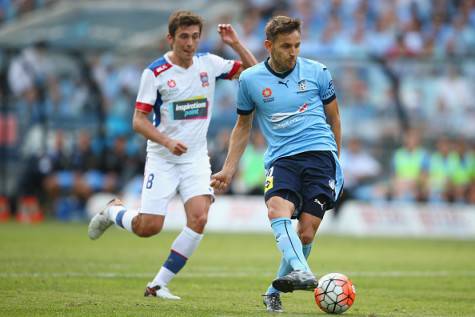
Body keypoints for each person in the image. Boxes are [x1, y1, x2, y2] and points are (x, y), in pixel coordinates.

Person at [88, 10, 257, 300]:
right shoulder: (155, 73)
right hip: (162, 158)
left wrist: (236, 44)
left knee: (199, 218)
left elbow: (256, 75)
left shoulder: (209, 63)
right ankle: (112, 211)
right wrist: (166, 141)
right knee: (148, 227)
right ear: (171, 38)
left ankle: (157, 285)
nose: (190, 43)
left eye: (194, 37)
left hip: (195, 158)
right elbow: (138, 121)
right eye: (184, 37)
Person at [211, 16, 344, 313]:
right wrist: (229, 168)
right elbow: (242, 126)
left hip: (320, 155)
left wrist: (337, 158)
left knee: (306, 232)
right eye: (286, 46)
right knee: (276, 209)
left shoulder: (318, 72)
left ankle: (273, 291)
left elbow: (335, 118)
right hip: (282, 159)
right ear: (269, 46)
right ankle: (303, 271)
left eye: (297, 45)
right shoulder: (250, 80)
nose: (293, 51)